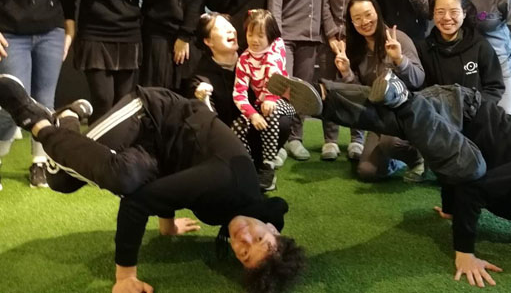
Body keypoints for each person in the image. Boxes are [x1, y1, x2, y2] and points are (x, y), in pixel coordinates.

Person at [268, 72, 511, 287]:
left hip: (446, 125)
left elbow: (468, 182)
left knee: (390, 121)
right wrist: (464, 251)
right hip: (457, 109)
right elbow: (474, 186)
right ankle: (406, 99)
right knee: (472, 170)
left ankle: (325, 100)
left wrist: (451, 207)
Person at [0, 73, 305, 293]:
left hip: (159, 153)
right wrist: (125, 276)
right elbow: (137, 203)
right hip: (151, 114)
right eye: (261, 241)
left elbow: (176, 181)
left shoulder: (234, 211)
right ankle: (32, 118)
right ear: (273, 229)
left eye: (243, 253)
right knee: (86, 176)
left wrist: (167, 225)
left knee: (62, 182)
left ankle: (67, 118)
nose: (245, 240)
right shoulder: (232, 181)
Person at [0, 0, 71, 189]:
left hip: (50, 34)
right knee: (10, 102)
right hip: (11, 35)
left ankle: (39, 163)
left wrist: (69, 30)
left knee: (44, 102)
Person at [184, 12, 292, 180]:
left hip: (259, 119)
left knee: (281, 117)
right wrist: (202, 97)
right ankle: (243, 166)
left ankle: (266, 163)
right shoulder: (202, 76)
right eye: (222, 29)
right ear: (208, 41)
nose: (231, 32)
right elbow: (207, 121)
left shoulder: (252, 55)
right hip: (230, 135)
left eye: (230, 27)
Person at [332, 0, 426, 182]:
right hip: (381, 118)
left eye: (368, 14)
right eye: (357, 18)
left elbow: (418, 80)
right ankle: (394, 157)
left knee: (390, 142)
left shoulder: (397, 38)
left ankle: (418, 156)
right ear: (351, 22)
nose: (364, 22)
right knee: (368, 171)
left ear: (377, 12)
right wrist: (347, 73)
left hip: (407, 115)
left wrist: (400, 59)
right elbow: (361, 95)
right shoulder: (355, 48)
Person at [267, 0, 324, 161]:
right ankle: (279, 141)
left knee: (303, 92)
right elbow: (274, 9)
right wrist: (276, 43)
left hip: (311, 40)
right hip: (286, 39)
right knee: (284, 91)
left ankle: (296, 139)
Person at [319, 0, 373, 161]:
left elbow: (366, 9)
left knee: (355, 89)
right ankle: (330, 140)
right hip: (329, 42)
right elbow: (323, 6)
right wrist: (331, 35)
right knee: (330, 89)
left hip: (356, 40)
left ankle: (356, 139)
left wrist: (348, 40)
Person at [232, 9, 295, 191]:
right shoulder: (244, 59)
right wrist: (251, 114)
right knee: (237, 126)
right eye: (250, 34)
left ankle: (268, 166)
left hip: (284, 104)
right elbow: (239, 93)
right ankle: (249, 165)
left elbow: (276, 78)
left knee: (272, 111)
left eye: (261, 35)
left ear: (271, 36)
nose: (254, 39)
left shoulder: (276, 49)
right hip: (259, 105)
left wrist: (271, 97)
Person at [417, 0, 505, 103]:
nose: (447, 18)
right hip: (437, 117)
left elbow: (494, 87)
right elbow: (420, 92)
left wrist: (474, 109)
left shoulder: (480, 45)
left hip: (475, 116)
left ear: (464, 13)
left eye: (454, 12)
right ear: (433, 13)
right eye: (440, 12)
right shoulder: (423, 49)